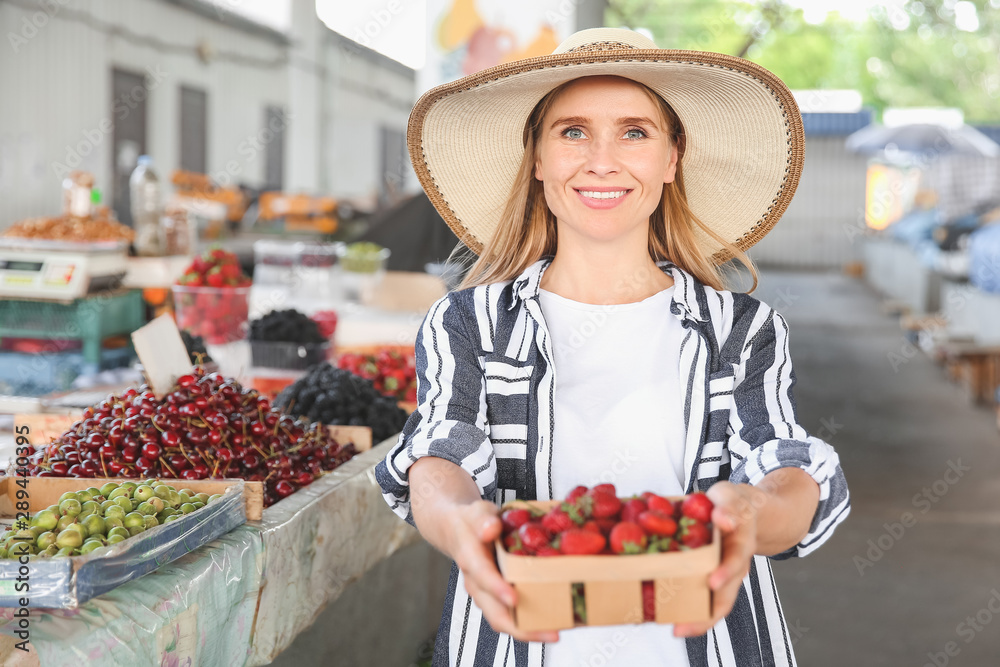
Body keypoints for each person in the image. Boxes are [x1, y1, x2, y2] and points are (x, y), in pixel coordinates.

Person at [375, 27, 850, 667]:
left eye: (635, 132)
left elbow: (783, 464)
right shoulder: (469, 323)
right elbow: (440, 451)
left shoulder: (741, 329)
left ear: (671, 158)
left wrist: (752, 513)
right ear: (537, 158)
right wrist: (458, 521)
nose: (603, 160)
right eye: (572, 132)